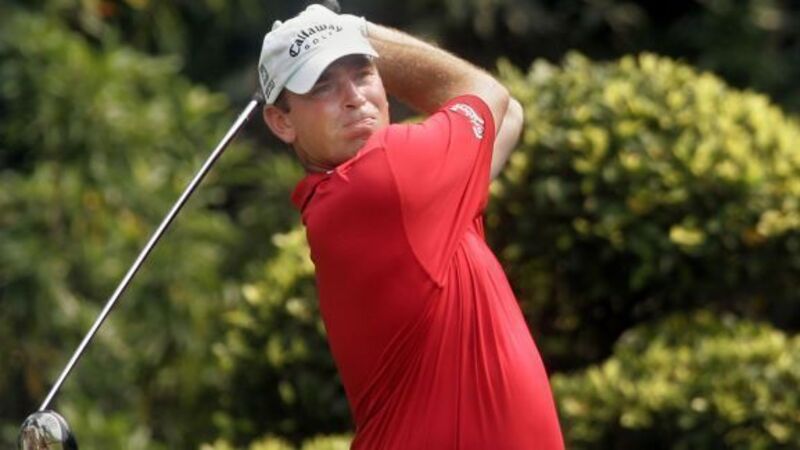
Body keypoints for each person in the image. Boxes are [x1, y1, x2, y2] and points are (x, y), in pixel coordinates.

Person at [258, 5, 564, 449]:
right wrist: (361, 31)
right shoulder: (385, 175)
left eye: (363, 72)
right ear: (281, 121)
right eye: (322, 85)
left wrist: (345, 36)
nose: (353, 97)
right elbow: (487, 93)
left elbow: (509, 115)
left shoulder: (412, 200)